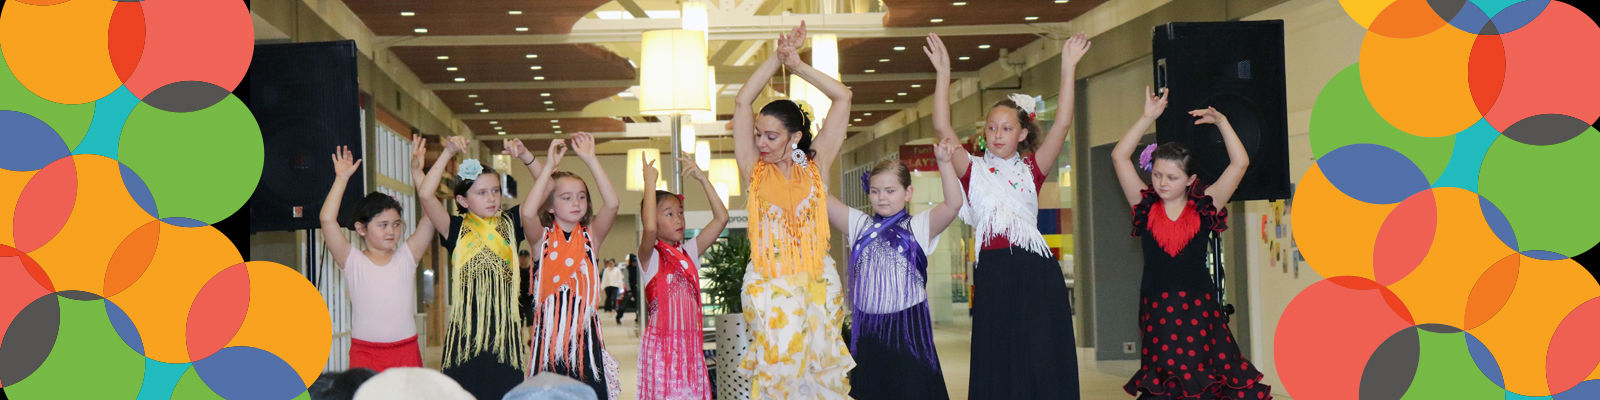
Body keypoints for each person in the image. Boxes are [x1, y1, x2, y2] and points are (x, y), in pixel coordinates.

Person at [925, 31, 1089, 398]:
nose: (997, 135)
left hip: (1036, 271)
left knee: (1041, 358)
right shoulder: (973, 168)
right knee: (998, 357)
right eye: (992, 128)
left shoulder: (1032, 169)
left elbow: (1062, 124)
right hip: (995, 271)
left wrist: (1068, 67)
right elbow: (942, 127)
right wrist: (943, 73)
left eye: (1007, 128)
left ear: (1022, 133)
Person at [1113, 87, 1271, 399]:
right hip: (1157, 308)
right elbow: (1119, 156)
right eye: (1157, 175)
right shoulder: (1144, 205)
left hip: (1198, 308)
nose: (1161, 183)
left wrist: (1222, 122)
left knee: (1203, 378)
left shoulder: (1206, 204)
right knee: (1166, 382)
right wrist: (1147, 117)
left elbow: (1239, 164)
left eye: (1171, 177)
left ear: (1190, 179)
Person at [732, 22, 855, 398]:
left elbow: (843, 97)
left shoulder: (816, 166)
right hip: (769, 288)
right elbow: (741, 102)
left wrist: (797, 65)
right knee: (778, 377)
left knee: (821, 378)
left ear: (795, 138)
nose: (761, 143)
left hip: (817, 285)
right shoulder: (754, 170)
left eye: (771, 136)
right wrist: (775, 58)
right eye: (758, 134)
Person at [824, 141, 964, 399]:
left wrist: (944, 163)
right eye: (875, 191)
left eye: (890, 190)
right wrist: (824, 148)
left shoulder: (918, 227)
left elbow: (954, 204)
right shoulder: (860, 224)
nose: (882, 197)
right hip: (868, 332)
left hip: (908, 332)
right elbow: (821, 195)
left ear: (907, 193)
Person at [418, 135, 545, 400]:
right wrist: (448, 152)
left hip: (504, 341)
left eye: (495, 191)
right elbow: (426, 194)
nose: (491, 198)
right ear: (463, 201)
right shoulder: (454, 228)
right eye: (482, 192)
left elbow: (548, 188)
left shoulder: (513, 222)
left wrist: (525, 156)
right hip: (464, 341)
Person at [319, 141, 435, 372]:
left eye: (395, 224)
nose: (391, 231)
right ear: (361, 229)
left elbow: (432, 216)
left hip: (406, 351)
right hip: (366, 353)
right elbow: (327, 220)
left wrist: (417, 173)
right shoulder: (352, 261)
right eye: (382, 225)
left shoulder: (406, 257)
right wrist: (341, 179)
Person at [523, 132, 623, 400]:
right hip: (549, 342)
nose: (576, 202)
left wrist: (591, 160)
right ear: (551, 206)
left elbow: (612, 204)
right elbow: (527, 212)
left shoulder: (591, 237)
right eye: (566, 197)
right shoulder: (540, 241)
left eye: (581, 196)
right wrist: (547, 168)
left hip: (585, 343)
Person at [634, 154, 730, 399]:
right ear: (652, 217)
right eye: (669, 214)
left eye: (680, 213)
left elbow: (721, 219)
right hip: (662, 351)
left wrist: (702, 178)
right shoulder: (650, 257)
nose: (678, 219)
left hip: (690, 349)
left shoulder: (689, 253)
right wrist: (649, 182)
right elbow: (650, 229)